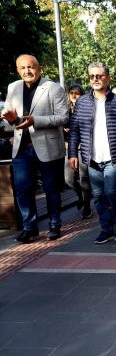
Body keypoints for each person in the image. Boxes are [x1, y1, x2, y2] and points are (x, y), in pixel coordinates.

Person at [1, 54, 68, 243]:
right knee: (22, 188)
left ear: (39, 68)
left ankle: (54, 225)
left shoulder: (53, 88)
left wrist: (35, 121)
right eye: (22, 68)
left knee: (51, 188)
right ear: (17, 70)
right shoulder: (13, 87)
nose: (27, 71)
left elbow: (63, 117)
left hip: (48, 146)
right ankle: (30, 228)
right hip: (21, 148)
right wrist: (11, 120)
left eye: (30, 67)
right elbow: (8, 122)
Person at [69, 62, 116, 244]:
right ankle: (106, 229)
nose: (96, 79)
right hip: (91, 159)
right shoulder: (82, 102)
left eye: (99, 75)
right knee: (98, 196)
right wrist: (72, 154)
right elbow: (74, 130)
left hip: (112, 158)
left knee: (112, 193)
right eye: (92, 76)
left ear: (108, 77)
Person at [64, 83, 92, 219]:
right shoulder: (66, 110)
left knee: (84, 178)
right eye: (72, 93)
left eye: (77, 93)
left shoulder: (86, 108)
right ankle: (81, 196)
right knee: (68, 179)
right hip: (69, 147)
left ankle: (87, 207)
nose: (74, 96)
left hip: (83, 147)